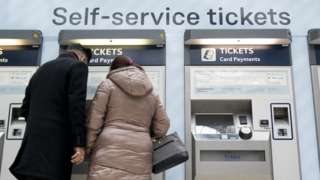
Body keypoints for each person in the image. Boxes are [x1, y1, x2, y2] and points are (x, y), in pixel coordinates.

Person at [9, 44, 92, 180]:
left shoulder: (42, 69)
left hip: (31, 148)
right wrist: (79, 144)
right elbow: (76, 106)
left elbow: (25, 108)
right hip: (55, 150)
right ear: (82, 57)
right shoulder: (78, 66)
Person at [86, 55, 170, 180]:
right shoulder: (152, 93)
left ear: (114, 69)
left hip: (109, 145)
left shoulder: (107, 85)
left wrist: (89, 146)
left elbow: (94, 119)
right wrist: (146, 133)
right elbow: (163, 126)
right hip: (141, 147)